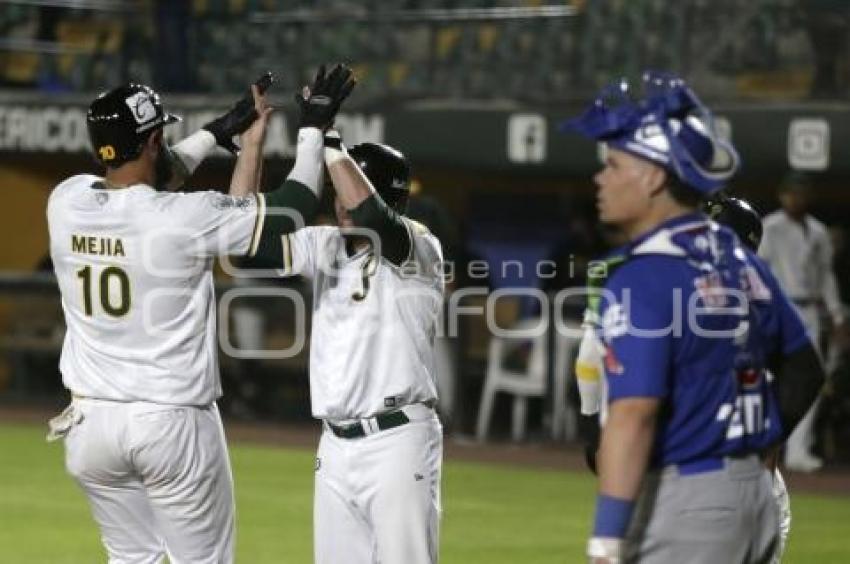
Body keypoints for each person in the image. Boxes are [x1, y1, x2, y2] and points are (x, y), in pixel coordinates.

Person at [45, 64, 354, 563]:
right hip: (170, 422)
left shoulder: (66, 200)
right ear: (150, 143)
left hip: (91, 425)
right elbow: (294, 206)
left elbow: (156, 175)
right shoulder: (184, 218)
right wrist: (314, 130)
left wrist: (216, 133)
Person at [563, 72, 824, 563]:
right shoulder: (734, 257)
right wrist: (749, 446)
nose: (600, 178)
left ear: (654, 177)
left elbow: (633, 416)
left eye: (614, 165)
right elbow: (806, 368)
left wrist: (605, 540)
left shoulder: (643, 277)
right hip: (758, 498)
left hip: (689, 503)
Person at [246, 126, 444, 560]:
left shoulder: (419, 246)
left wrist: (331, 142)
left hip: (397, 441)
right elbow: (244, 242)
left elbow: (373, 218)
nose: (341, 201)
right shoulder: (324, 244)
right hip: (334, 447)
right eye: (335, 188)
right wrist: (251, 148)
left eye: (349, 186)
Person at [760, 172, 848, 472]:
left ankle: (799, 450)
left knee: (812, 376)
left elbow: (826, 277)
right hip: (777, 306)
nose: (797, 198)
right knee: (768, 375)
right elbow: (758, 269)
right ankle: (766, 444)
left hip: (809, 308)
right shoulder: (769, 227)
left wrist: (837, 315)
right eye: (792, 193)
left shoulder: (818, 231)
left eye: (802, 193)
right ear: (782, 195)